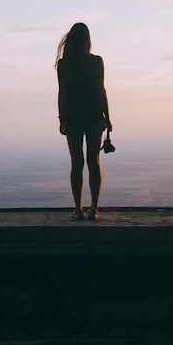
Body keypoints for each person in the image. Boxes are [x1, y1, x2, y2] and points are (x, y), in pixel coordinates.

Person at [56, 22, 112, 220]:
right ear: (87, 40)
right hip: (94, 115)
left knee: (76, 162)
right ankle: (94, 209)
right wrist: (108, 117)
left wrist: (61, 118)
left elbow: (62, 93)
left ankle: (78, 209)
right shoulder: (96, 62)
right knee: (93, 162)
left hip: (71, 117)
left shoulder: (64, 64)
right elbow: (101, 90)